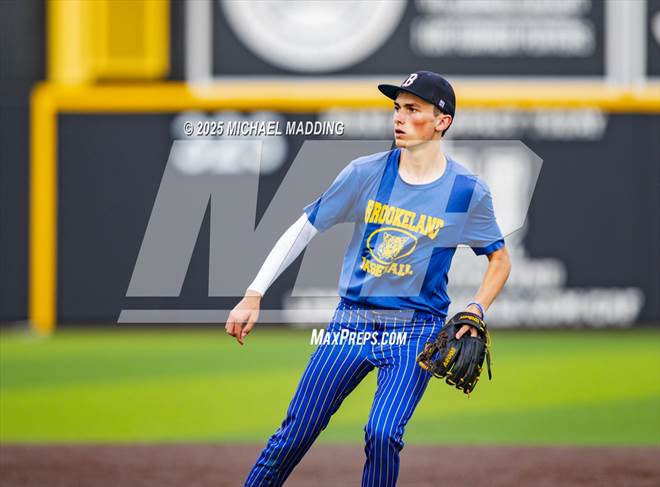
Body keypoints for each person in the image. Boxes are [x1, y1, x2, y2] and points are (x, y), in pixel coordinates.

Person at [225, 71, 512, 487]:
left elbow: (499, 260)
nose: (399, 117)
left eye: (412, 109)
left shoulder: (466, 191)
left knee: (382, 433)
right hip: (351, 322)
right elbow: (304, 228)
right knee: (295, 433)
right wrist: (254, 293)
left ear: (442, 121)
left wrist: (476, 307)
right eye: (397, 108)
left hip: (416, 331)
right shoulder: (365, 173)